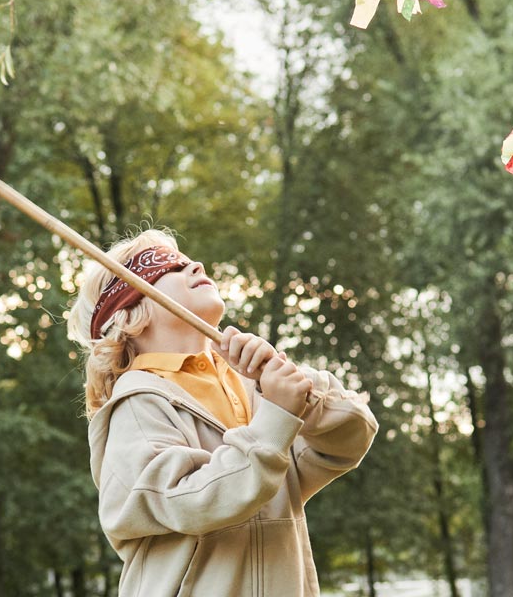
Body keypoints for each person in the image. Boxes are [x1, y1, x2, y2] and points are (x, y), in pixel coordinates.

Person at [66, 228, 378, 596]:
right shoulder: (137, 404)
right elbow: (192, 502)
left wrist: (289, 388)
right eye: (170, 267)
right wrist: (276, 417)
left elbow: (350, 438)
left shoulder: (253, 388)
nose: (195, 265)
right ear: (131, 312)